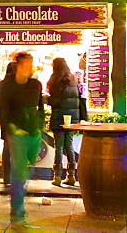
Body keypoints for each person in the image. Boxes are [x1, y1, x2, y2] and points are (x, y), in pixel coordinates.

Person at [0, 52, 44, 229]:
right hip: (17, 136)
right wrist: (13, 130)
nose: (30, 68)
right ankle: (17, 215)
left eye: (32, 64)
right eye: (27, 65)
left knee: (26, 175)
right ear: (19, 65)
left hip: (33, 134)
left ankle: (19, 210)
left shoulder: (35, 84)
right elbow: (1, 111)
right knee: (19, 175)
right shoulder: (5, 86)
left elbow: (40, 108)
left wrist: (39, 127)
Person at [46, 57, 80, 186]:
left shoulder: (56, 81)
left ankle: (57, 177)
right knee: (69, 145)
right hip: (71, 118)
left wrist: (46, 99)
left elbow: (55, 101)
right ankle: (71, 176)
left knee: (59, 147)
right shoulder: (72, 80)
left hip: (59, 117)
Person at [0, 61, 17, 186]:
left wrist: (1, 120)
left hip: (7, 120)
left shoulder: (2, 84)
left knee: (7, 149)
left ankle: (6, 177)